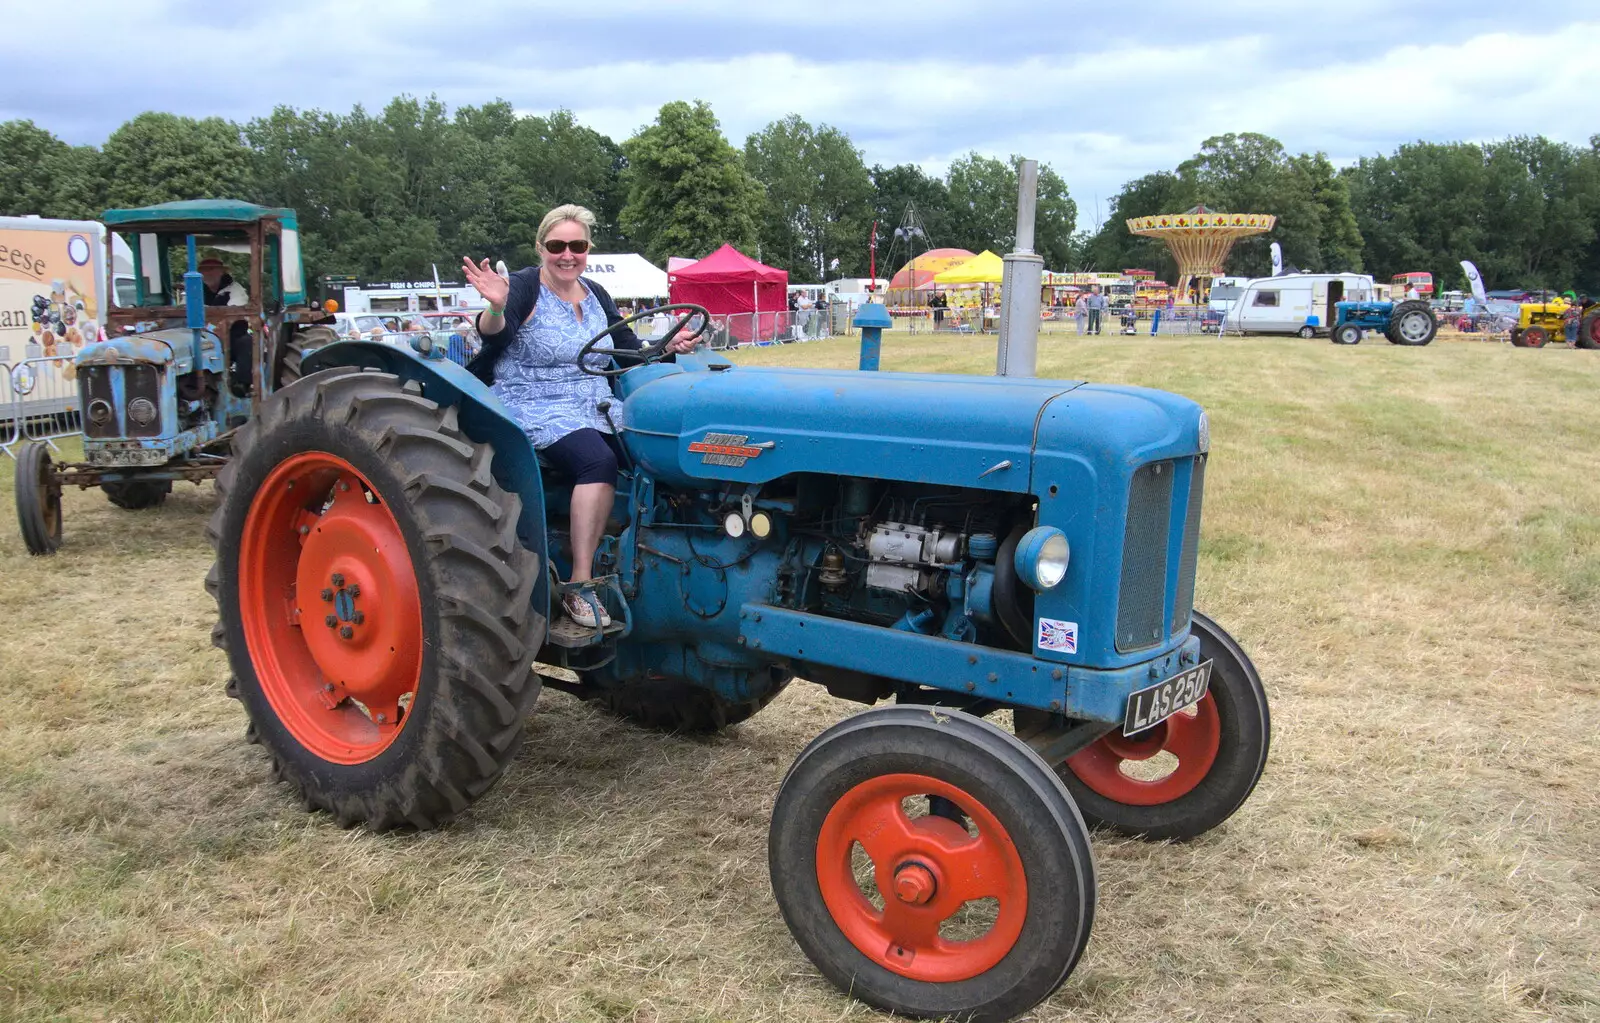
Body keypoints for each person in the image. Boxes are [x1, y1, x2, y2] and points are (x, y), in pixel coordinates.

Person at [461, 204, 699, 628]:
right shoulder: (521, 287)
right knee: (597, 462)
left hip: (594, 401)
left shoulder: (595, 294)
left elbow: (626, 347)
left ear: (588, 249)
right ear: (541, 247)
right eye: (557, 245)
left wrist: (667, 344)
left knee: (650, 451)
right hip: (534, 400)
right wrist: (495, 307)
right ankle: (580, 584)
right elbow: (493, 331)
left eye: (577, 245)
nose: (567, 254)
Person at [199, 257, 252, 393]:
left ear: (221, 272)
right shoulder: (196, 290)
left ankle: (242, 384)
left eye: (212, 269)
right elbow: (183, 307)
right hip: (201, 337)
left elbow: (234, 311)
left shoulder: (235, 290)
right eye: (204, 270)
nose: (208, 273)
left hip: (230, 338)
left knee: (247, 342)